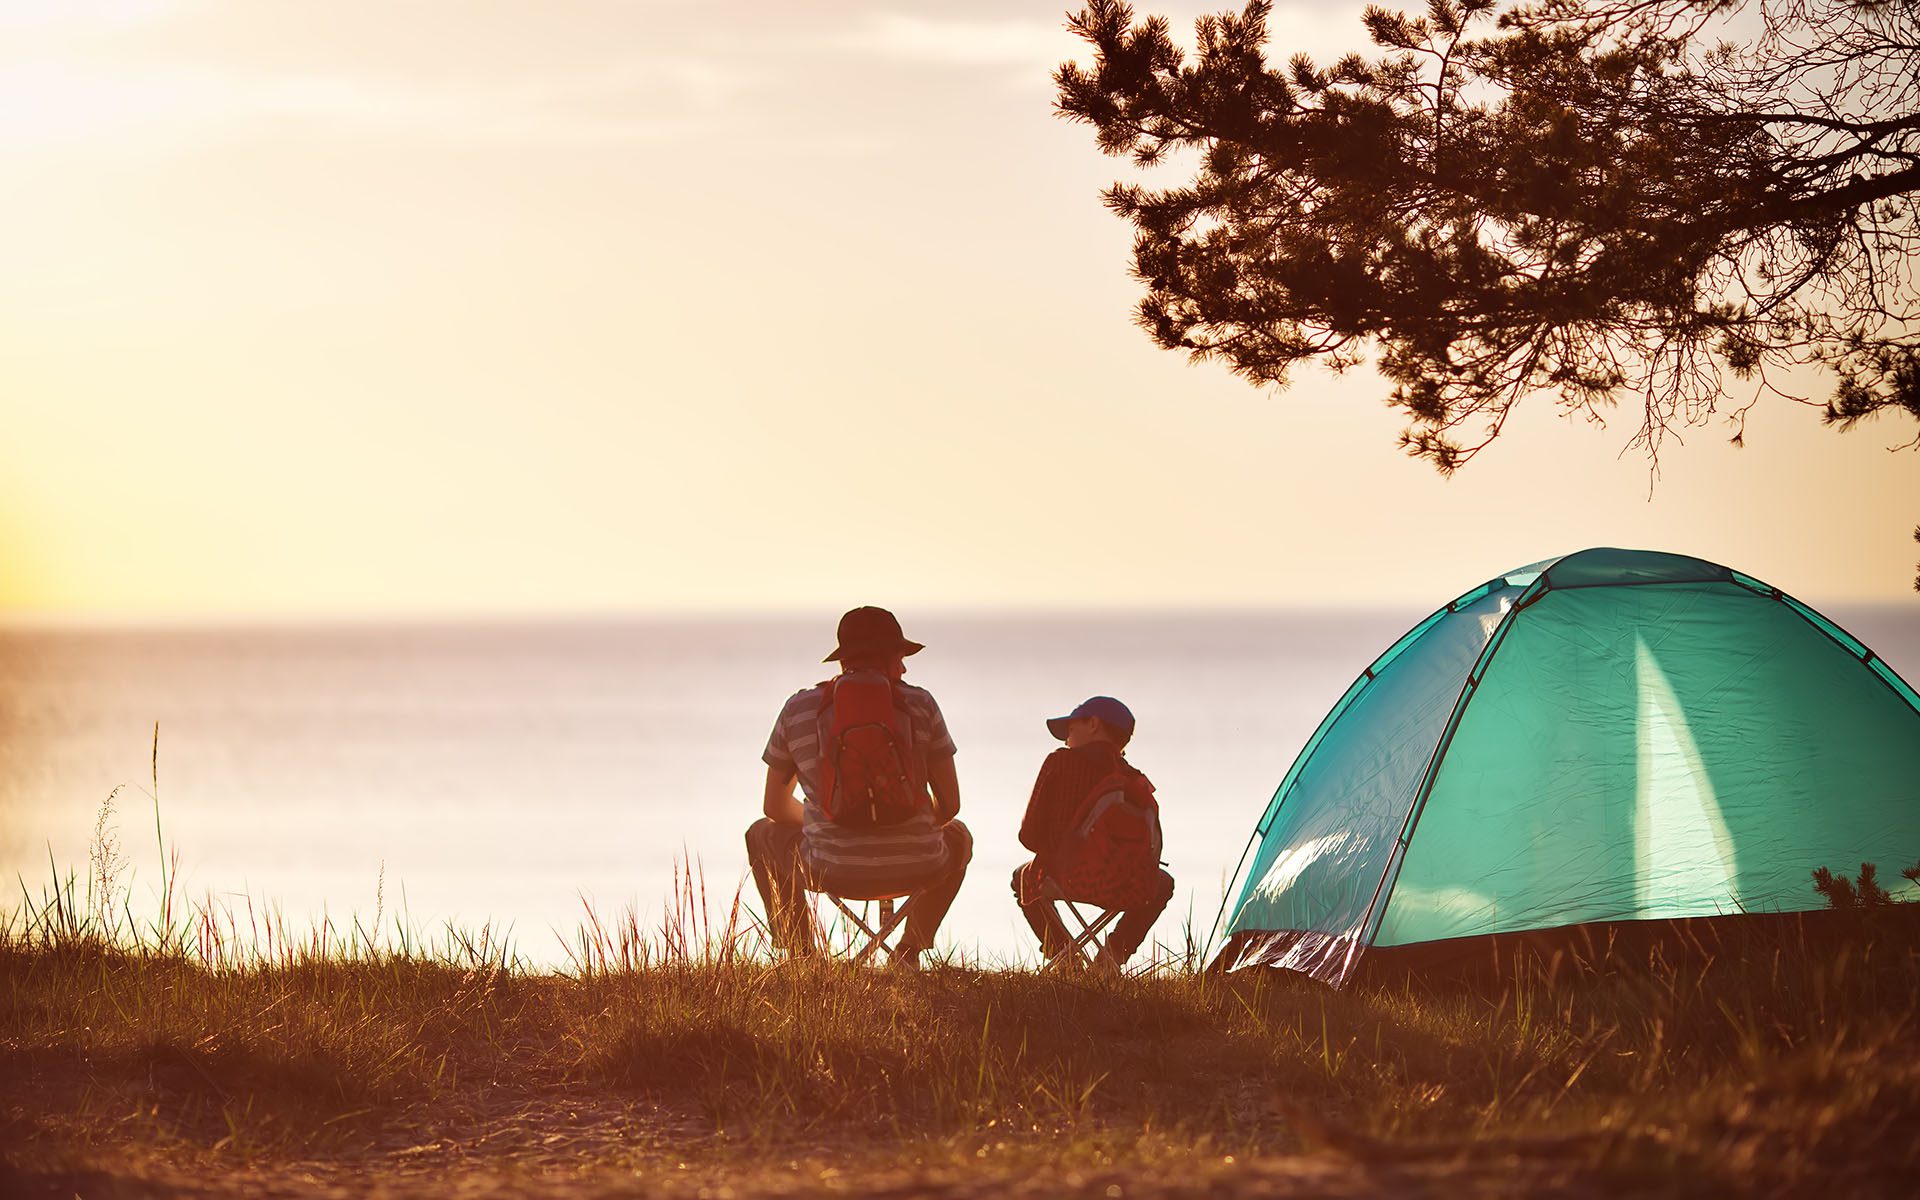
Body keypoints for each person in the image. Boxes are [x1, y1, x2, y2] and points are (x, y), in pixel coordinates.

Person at [746, 606, 971, 968]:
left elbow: (774, 808)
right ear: (890, 658)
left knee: (760, 835)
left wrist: (826, 819)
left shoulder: (799, 709)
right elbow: (951, 804)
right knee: (960, 836)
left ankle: (803, 956)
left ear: (842, 660)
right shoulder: (921, 704)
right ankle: (908, 952)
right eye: (901, 657)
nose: (906, 669)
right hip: (920, 866)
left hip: (829, 869)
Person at [1011, 696, 1173, 971]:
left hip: (1070, 877)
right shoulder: (1136, 779)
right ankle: (1112, 958)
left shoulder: (1059, 763)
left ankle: (1065, 957)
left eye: (1071, 730)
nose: (1066, 740)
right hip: (1131, 885)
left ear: (1094, 724)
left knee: (1021, 878)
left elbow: (1029, 837)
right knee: (1164, 884)